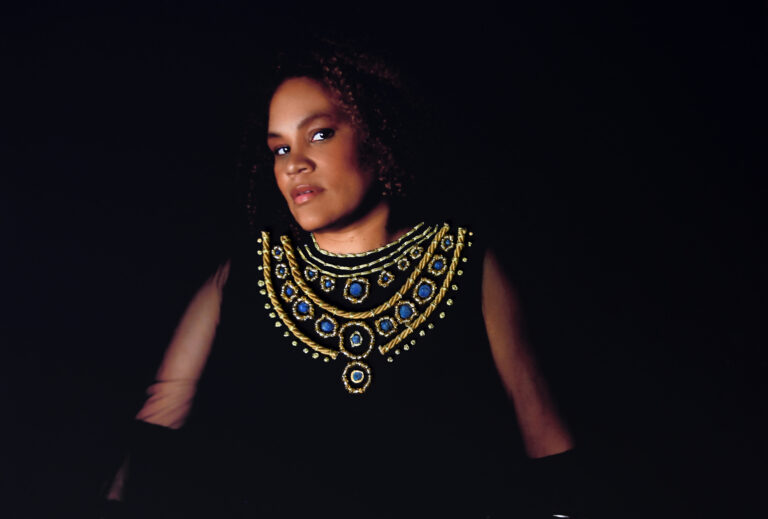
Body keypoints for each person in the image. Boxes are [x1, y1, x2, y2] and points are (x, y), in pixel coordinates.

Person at [101, 40, 580, 518]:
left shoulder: (464, 260)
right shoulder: (245, 271)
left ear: (376, 131)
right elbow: (161, 416)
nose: (295, 164)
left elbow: (543, 432)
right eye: (280, 148)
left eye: (321, 134)